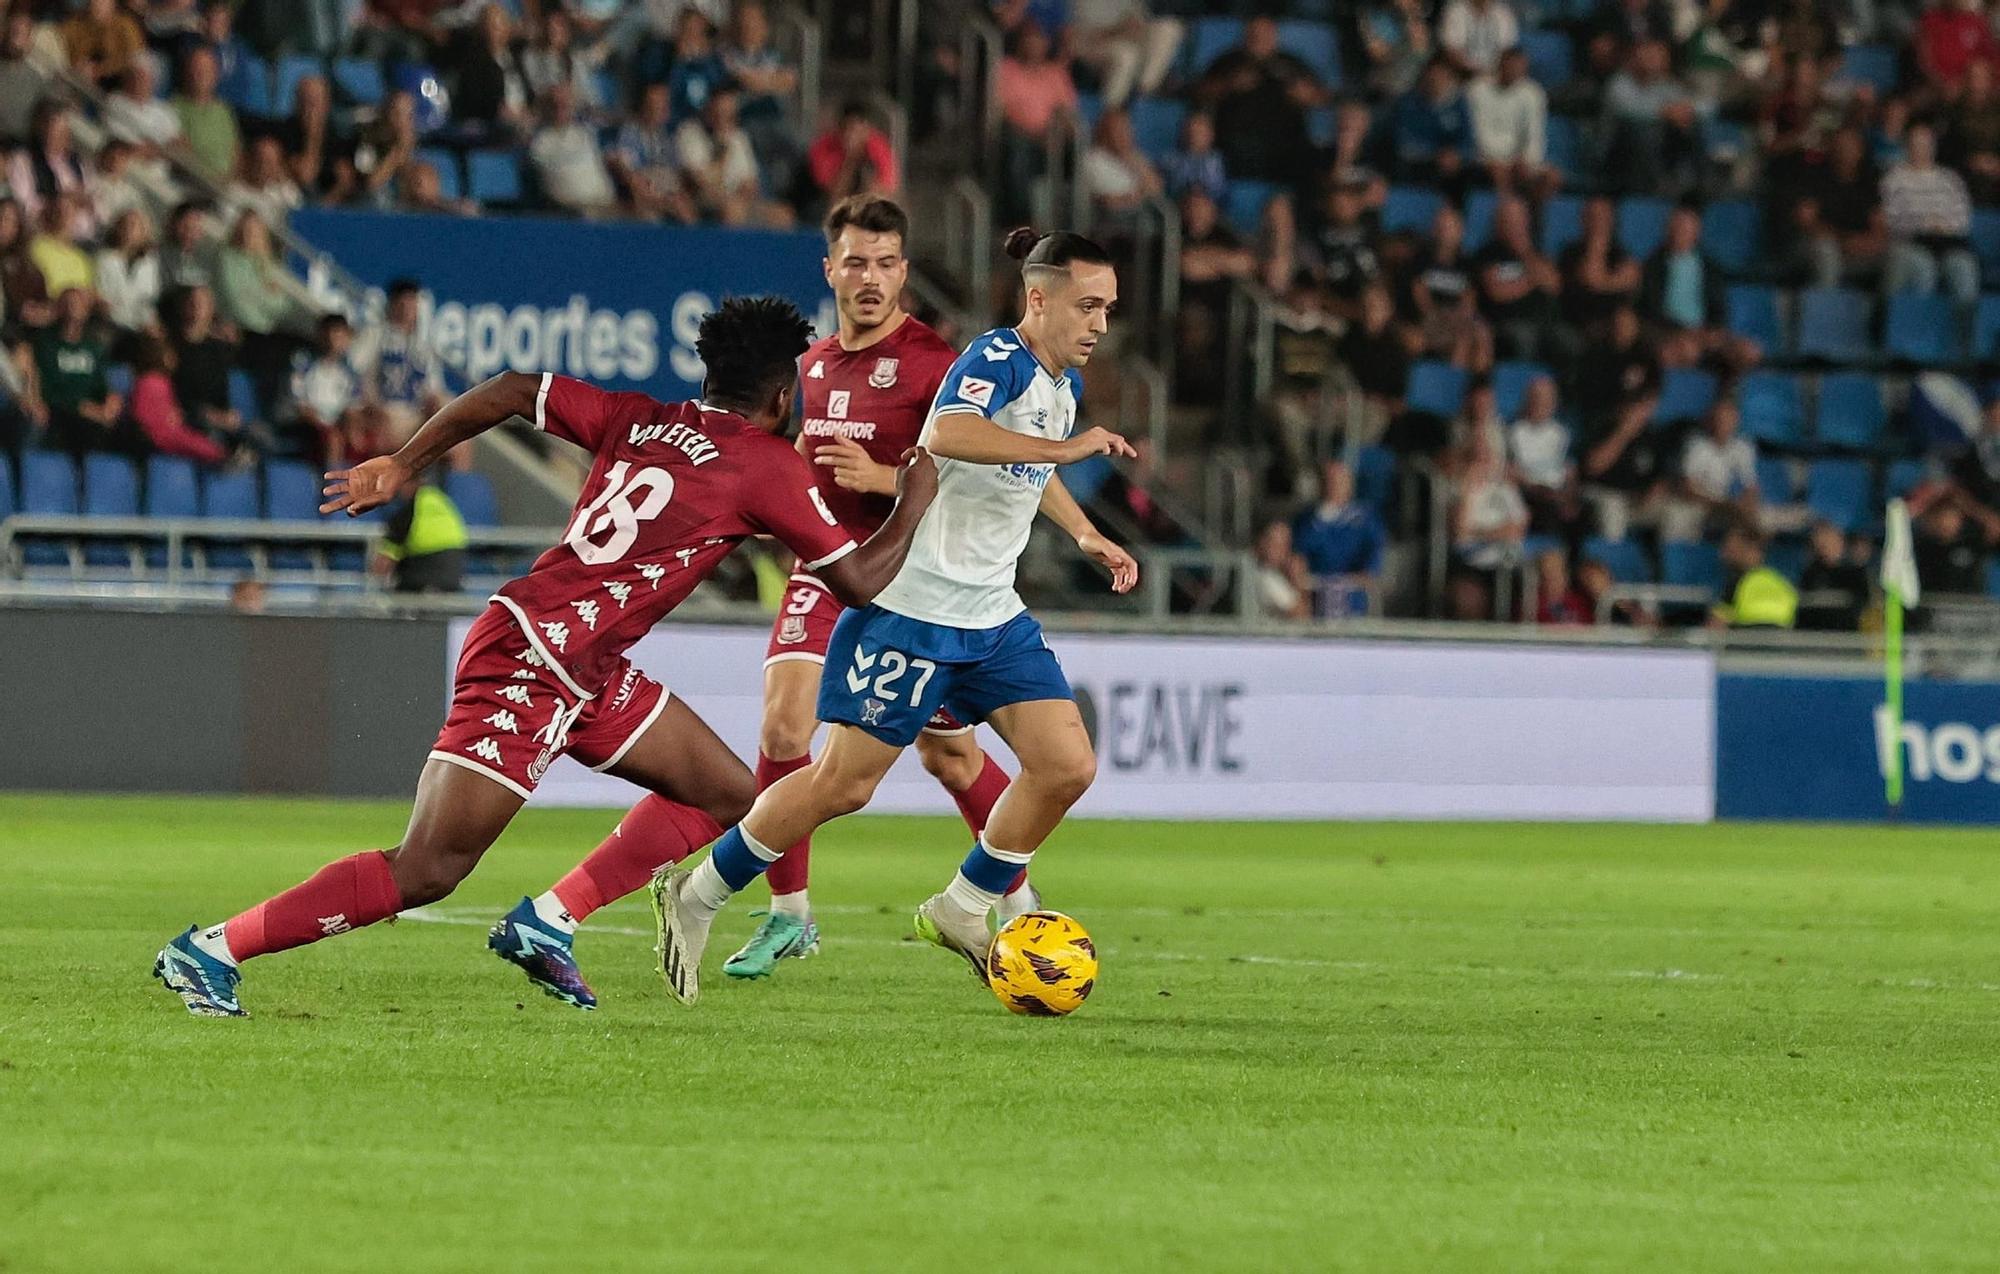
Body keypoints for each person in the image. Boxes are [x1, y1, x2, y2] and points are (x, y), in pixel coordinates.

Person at [151, 296, 942, 1017]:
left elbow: (506, 387)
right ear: (781, 399)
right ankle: (211, 949)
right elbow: (862, 581)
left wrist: (404, 461)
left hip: (583, 666)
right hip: (534, 660)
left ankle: (547, 922)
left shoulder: (637, 416)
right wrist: (915, 496)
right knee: (428, 867)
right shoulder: (765, 464)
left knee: (727, 793)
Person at [508, 197, 1030, 997]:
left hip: (909, 580)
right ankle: (790, 909)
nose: (871, 278)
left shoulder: (934, 365)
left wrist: (891, 481)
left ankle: (1018, 905)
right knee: (784, 722)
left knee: (951, 754)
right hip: (823, 573)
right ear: (830, 269)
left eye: (887, 263)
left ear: (903, 272)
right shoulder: (808, 368)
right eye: (855, 262)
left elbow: (990, 466)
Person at [646, 228, 1141, 1005]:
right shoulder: (996, 358)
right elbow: (947, 433)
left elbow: (1025, 464)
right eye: (1087, 306)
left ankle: (964, 907)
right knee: (842, 784)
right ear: (1038, 298)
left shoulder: (1058, 387)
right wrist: (1071, 449)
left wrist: (1084, 531)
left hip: (992, 615)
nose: (1100, 325)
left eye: (1108, 309)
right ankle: (696, 893)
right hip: (913, 609)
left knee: (1066, 765)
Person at [1880, 123, 1980, 305]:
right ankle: (1918, 328)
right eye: (1916, 144)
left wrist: (1942, 227)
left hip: (1947, 243)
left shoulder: (1950, 179)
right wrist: (1924, 224)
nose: (1921, 149)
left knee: (1964, 267)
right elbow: (1891, 219)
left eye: (1925, 144)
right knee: (1922, 267)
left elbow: (1963, 219)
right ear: (1907, 147)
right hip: (1909, 243)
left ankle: (1965, 331)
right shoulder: (1894, 179)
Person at [353, 277, 447, 449]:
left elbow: (433, 388)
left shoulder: (424, 346)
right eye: (402, 304)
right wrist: (372, 403)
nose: (407, 310)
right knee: (384, 427)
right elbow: (355, 372)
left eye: (412, 304)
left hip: (416, 414)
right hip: (385, 410)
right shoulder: (374, 335)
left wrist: (436, 407)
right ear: (392, 305)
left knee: (455, 426)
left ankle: (457, 476)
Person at [33, 287, 124, 457]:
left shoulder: (93, 348)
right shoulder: (46, 345)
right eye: (68, 303)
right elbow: (48, 390)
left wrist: (111, 400)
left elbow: (101, 384)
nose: (73, 307)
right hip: (63, 413)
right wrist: (83, 408)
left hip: (93, 412)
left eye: (78, 303)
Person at [1292, 459, 1386, 614]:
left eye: (1338, 481)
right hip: (1314, 593)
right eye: (1328, 481)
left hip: (1353, 595)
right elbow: (1298, 552)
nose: (1333, 486)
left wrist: (1367, 573)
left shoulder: (1365, 519)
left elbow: (1375, 550)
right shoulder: (1307, 519)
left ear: (1349, 485)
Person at [1469, 46, 1555, 200]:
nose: (1515, 70)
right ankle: (1506, 213)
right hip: (1486, 158)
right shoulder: (1477, 90)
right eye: (1511, 65)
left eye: (1519, 66)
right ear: (1500, 64)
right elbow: (1476, 132)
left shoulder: (1533, 93)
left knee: (1553, 177)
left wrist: (1527, 160)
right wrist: (1498, 159)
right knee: (1499, 171)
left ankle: (1536, 220)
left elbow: (1534, 135)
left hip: (1519, 159)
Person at [1667, 399, 1760, 542]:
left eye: (1729, 419)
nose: (1723, 424)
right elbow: (1688, 487)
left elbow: (1751, 486)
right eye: (1719, 419)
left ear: (1736, 421)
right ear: (1711, 421)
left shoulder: (1743, 448)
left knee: (1758, 519)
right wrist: (1721, 504)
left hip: (1726, 505)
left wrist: (1747, 503)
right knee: (1677, 517)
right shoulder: (1696, 446)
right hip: (1697, 504)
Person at [129, 334, 228, 465]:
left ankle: (221, 455)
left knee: (195, 439)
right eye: (168, 355)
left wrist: (175, 414)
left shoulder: (164, 382)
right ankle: (221, 457)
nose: (173, 359)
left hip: (172, 431)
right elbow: (140, 413)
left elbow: (169, 407)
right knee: (191, 442)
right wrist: (163, 421)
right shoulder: (147, 381)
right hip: (160, 434)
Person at [610, 83, 698, 223]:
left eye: (663, 106)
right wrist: (659, 198)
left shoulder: (666, 137)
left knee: (686, 206)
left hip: (668, 190)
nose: (659, 109)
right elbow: (629, 171)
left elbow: (677, 174)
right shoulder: (630, 133)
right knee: (648, 210)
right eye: (654, 105)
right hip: (645, 190)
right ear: (644, 106)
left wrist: (676, 195)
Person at [529, 84, 618, 216]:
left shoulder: (585, 134)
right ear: (546, 108)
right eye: (554, 105)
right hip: (573, 210)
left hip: (605, 203)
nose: (560, 109)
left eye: (565, 105)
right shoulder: (540, 142)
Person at [373, 469, 470, 592]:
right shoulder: (440, 499)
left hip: (423, 573)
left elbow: (384, 562)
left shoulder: (408, 512)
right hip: (453, 572)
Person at [1071, 0, 1182, 107]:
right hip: (1089, 46)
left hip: (1121, 38)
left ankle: (1143, 94)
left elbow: (1137, 19)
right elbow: (1084, 34)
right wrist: (1119, 30)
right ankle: (1111, 110)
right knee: (1126, 56)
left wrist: (1133, 27)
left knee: (1169, 28)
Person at [93, 206, 162, 346]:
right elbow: (102, 296)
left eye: (135, 226)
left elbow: (148, 299)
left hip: (139, 328)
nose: (129, 230)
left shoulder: (149, 264)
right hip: (109, 325)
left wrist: (148, 323)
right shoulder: (103, 259)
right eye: (125, 225)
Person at [173, 45, 241, 179]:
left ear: (216, 74)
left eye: (206, 70)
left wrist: (230, 180)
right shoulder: (172, 108)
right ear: (186, 72)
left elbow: (236, 152)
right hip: (194, 186)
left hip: (228, 185)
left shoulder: (224, 110)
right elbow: (182, 155)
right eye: (196, 69)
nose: (200, 75)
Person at [1712, 523, 1797, 628]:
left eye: (1732, 549)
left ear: (1751, 548)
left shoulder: (1738, 582)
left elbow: (1715, 627)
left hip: (1745, 640)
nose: (1724, 554)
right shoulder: (1784, 578)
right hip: (1784, 641)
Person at [1250, 519, 1311, 620]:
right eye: (1276, 543)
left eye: (1286, 543)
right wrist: (1298, 578)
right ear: (1262, 542)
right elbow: (1302, 615)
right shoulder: (1265, 576)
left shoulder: (1274, 573)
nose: (1282, 550)